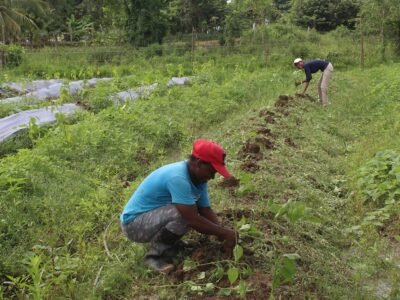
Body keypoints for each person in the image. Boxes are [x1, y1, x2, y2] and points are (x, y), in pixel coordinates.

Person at [120, 139, 237, 273]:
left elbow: (205, 209)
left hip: (151, 217)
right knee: (183, 214)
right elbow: (192, 219)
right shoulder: (178, 177)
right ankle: (153, 256)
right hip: (134, 225)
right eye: (212, 171)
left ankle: (171, 246)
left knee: (188, 209)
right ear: (199, 164)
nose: (213, 177)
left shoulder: (199, 179)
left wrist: (222, 234)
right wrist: (225, 233)